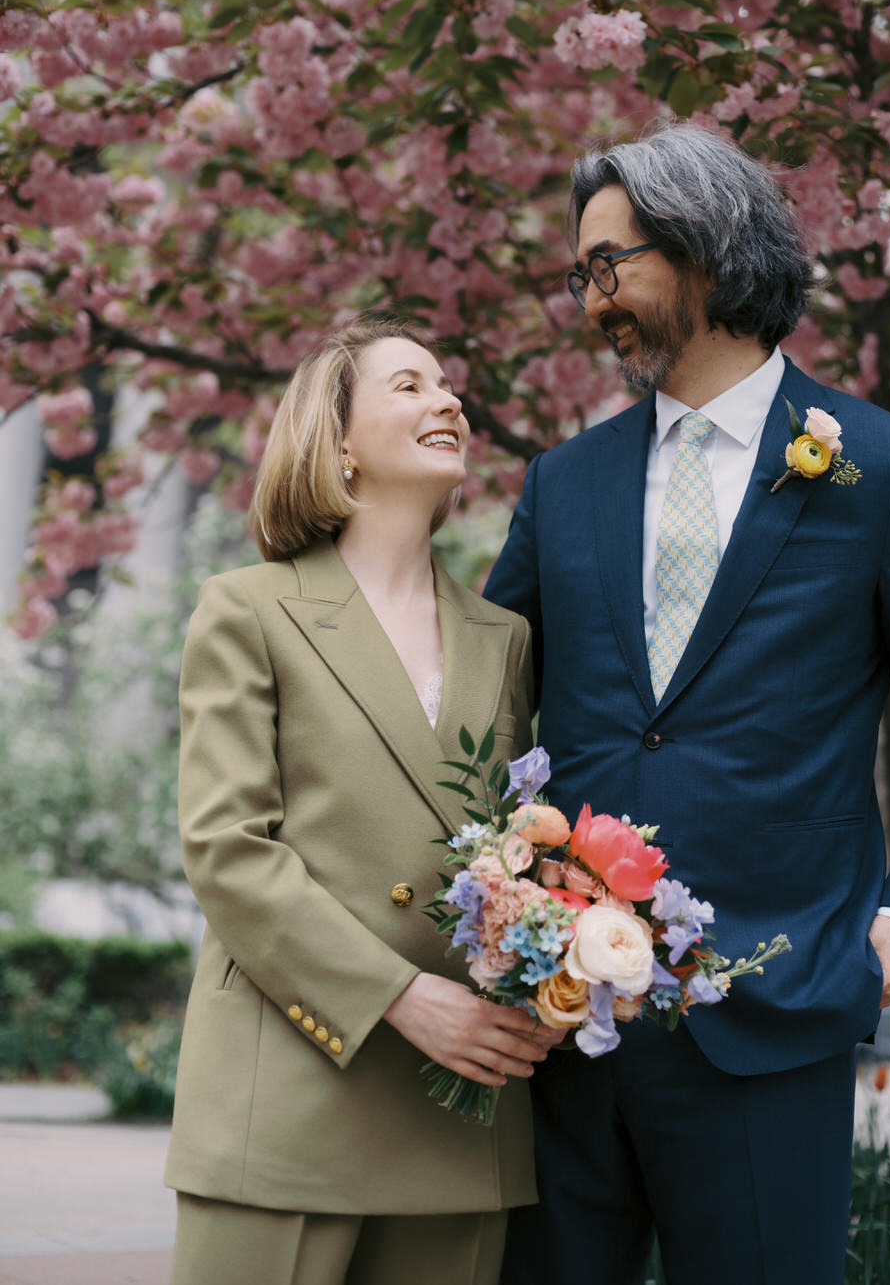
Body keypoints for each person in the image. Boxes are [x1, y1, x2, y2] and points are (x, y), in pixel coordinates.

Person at [485, 123, 890, 1285]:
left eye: (610, 263)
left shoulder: (884, 471)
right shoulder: (560, 482)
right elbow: (484, 714)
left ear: (708, 252)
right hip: (563, 1021)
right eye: (580, 273)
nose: (591, 300)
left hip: (774, 1004)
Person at [165, 320, 564, 1285]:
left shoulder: (503, 636)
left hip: (459, 1108)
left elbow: (507, 848)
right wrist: (398, 996)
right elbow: (228, 849)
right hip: (291, 1093)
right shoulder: (247, 608)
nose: (448, 401)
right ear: (336, 440)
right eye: (409, 385)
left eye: (450, 386)